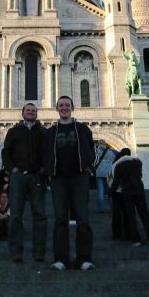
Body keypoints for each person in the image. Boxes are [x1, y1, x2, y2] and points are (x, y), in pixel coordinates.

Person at [44, 96, 95, 271]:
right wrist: (49, 171)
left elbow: (91, 150)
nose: (64, 108)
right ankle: (61, 259)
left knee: (83, 218)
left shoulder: (82, 129)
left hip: (79, 177)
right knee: (60, 219)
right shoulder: (50, 132)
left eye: (67, 105)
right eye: (61, 105)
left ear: (73, 107)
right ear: (57, 109)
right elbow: (46, 153)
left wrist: (87, 166)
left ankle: (84, 259)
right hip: (58, 179)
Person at [1, 102, 46, 263]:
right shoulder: (13, 131)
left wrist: (43, 169)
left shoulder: (42, 131)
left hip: (36, 176)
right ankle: (16, 251)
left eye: (33, 111)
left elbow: (47, 153)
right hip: (18, 176)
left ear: (36, 113)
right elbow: (6, 152)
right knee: (15, 215)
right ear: (22, 113)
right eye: (28, 110)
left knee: (40, 215)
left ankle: (39, 252)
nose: (30, 112)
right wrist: (12, 169)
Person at [110, 148, 149, 247]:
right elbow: (140, 175)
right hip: (139, 190)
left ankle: (136, 240)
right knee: (145, 216)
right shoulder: (138, 162)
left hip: (127, 192)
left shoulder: (118, 165)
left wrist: (110, 192)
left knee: (131, 216)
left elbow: (116, 182)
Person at [107, 150, 130, 241]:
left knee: (116, 214)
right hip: (127, 191)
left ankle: (117, 234)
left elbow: (110, 178)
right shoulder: (131, 163)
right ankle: (128, 234)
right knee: (127, 213)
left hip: (116, 192)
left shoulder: (115, 164)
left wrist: (111, 190)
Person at [93, 140, 115, 213]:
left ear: (98, 144)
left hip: (99, 173)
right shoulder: (111, 152)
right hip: (109, 173)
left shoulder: (96, 151)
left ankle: (100, 209)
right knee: (111, 191)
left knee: (100, 191)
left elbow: (93, 160)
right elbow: (113, 161)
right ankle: (113, 207)